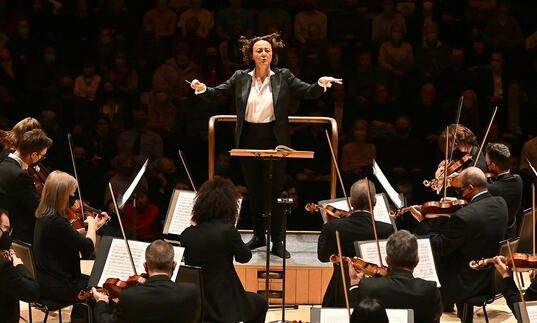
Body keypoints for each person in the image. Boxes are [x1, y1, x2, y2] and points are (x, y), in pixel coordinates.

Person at [190, 32, 341, 258]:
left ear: (273, 55)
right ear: (251, 54)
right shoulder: (240, 76)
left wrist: (320, 84)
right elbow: (217, 93)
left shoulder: (283, 76)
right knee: (255, 190)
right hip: (248, 138)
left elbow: (307, 91)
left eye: (267, 51)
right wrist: (202, 88)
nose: (263, 54)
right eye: (259, 50)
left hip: (274, 139)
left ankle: (278, 240)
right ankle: (259, 235)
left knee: (275, 192)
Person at [412, 167, 508, 322]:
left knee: (424, 268)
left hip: (468, 281)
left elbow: (440, 246)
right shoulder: (500, 203)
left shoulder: (464, 217)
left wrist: (424, 223)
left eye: (460, 190)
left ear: (470, 188)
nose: (459, 194)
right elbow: (474, 223)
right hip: (493, 275)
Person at [179, 177, 268, 323]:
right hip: (226, 302)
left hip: (199, 303)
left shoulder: (186, 235)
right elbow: (244, 257)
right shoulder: (227, 231)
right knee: (261, 303)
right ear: (229, 205)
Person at [33, 171, 109, 305]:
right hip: (59, 283)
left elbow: (70, 236)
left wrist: (94, 226)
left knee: (98, 281)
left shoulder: (45, 215)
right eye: (72, 193)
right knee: (105, 289)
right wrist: (91, 223)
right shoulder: (56, 221)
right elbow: (88, 246)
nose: (74, 197)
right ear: (62, 196)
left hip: (49, 279)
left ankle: (79, 317)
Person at [317, 179, 394, 307]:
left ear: (351, 202)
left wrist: (327, 224)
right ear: (374, 202)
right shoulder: (386, 229)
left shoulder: (332, 227)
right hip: (375, 290)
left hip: (341, 289)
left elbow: (323, 257)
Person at [92, 239, 200, 323]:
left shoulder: (129, 296)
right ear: (174, 265)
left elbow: (107, 321)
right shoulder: (189, 292)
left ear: (145, 266)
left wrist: (101, 302)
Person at [347, 230, 443, 323]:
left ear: (387, 260)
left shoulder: (368, 285)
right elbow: (435, 317)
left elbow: (356, 316)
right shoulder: (430, 289)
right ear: (417, 261)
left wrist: (354, 283)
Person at [0, 128, 52, 243]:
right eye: (41, 156)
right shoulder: (20, 176)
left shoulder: (3, 164)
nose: (40, 160)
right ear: (33, 155)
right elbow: (38, 207)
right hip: (18, 235)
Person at [0, 209, 40, 323]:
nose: (8, 235)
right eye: (5, 229)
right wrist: (19, 265)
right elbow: (32, 293)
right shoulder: (4, 266)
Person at [485, 143, 522, 237]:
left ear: (493, 166)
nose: (487, 167)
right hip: (512, 233)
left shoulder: (493, 188)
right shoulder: (518, 180)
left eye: (487, 164)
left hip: (496, 236)